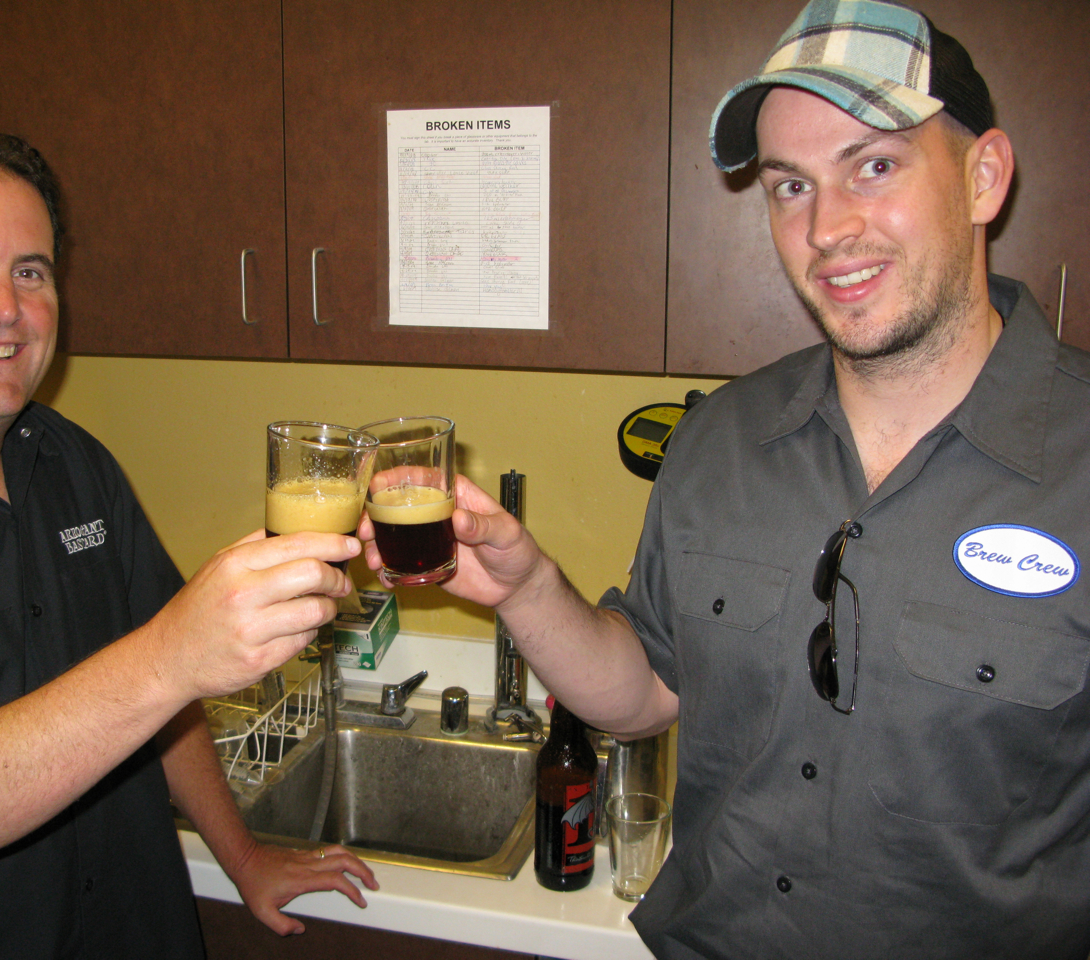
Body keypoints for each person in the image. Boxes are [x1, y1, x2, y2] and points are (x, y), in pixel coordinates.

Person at [361, 2, 1090, 957]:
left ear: (983, 175)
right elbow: (644, 691)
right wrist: (527, 590)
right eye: (791, 185)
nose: (829, 227)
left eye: (874, 165)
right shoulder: (720, 441)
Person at [0, 126, 377, 959]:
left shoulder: (72, 462)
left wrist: (245, 855)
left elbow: (168, 702)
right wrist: (168, 654)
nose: (4, 307)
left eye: (30, 272)